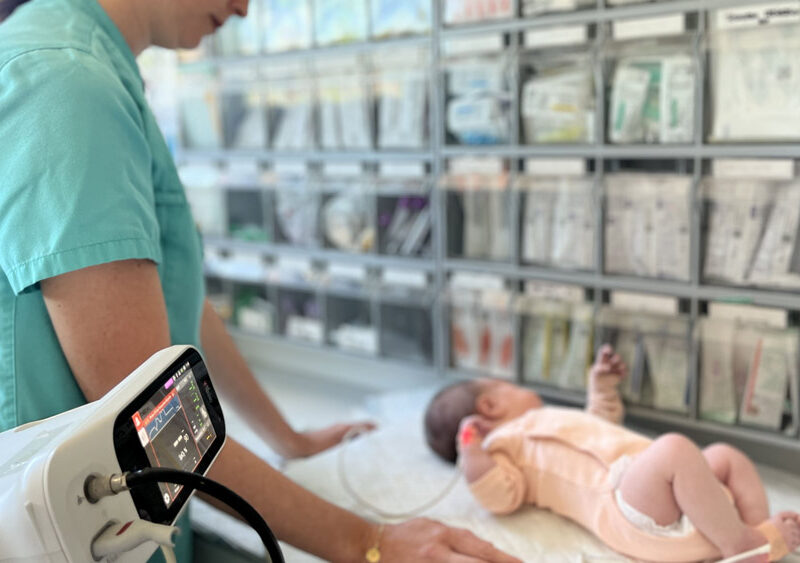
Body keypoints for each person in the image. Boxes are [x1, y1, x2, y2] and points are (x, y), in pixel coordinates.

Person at [0, 0, 521, 561]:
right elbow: (154, 419)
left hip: (146, 515)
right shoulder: (67, 85)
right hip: (76, 526)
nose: (248, 9)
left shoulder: (97, 66)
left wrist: (286, 439)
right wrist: (370, 543)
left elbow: (176, 303)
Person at [424, 346, 800, 562]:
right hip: (622, 504)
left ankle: (755, 530)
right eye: (508, 385)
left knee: (725, 455)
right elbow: (499, 496)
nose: (520, 387)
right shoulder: (502, 449)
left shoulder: (551, 419)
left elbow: (599, 426)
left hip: (652, 480)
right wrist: (473, 454)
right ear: (490, 405)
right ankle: (742, 546)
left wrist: (600, 386)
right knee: (675, 448)